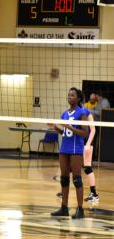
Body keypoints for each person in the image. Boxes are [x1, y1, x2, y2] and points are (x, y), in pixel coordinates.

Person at [49, 87, 88, 219]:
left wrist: (70, 127)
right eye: (69, 95)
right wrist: (56, 128)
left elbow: (85, 133)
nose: (70, 97)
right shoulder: (65, 114)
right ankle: (64, 208)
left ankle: (80, 210)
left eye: (72, 95)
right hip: (64, 148)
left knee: (76, 179)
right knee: (64, 179)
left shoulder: (81, 113)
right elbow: (65, 132)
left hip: (76, 149)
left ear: (78, 98)